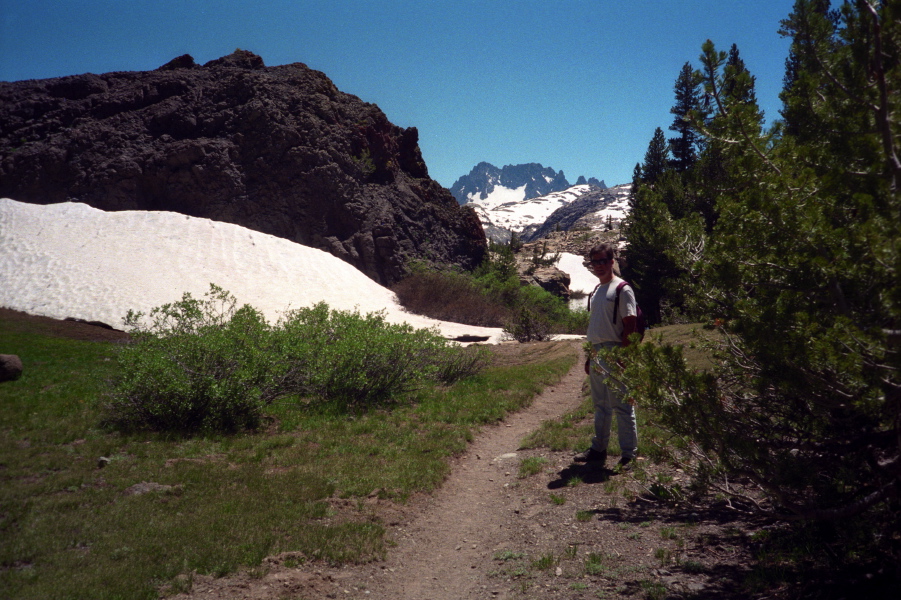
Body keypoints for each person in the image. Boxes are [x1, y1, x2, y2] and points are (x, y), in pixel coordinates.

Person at [574, 242, 639, 469]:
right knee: (600, 404)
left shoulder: (622, 288)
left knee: (622, 404)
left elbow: (630, 323)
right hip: (597, 352)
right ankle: (598, 449)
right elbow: (596, 326)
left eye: (603, 261)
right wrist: (590, 357)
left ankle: (629, 454)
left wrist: (625, 355)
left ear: (612, 261)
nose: (599, 266)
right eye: (595, 262)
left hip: (615, 351)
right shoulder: (598, 289)